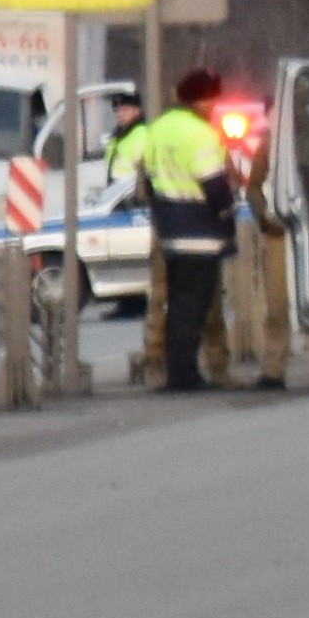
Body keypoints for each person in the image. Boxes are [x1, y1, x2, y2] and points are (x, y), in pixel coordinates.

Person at [109, 69, 243, 393]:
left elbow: (149, 181)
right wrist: (228, 212)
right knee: (195, 308)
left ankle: (176, 371)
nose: (213, 108)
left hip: (169, 231)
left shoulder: (157, 130)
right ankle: (185, 375)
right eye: (211, 101)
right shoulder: (200, 134)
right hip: (201, 232)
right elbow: (215, 184)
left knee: (177, 305)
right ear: (202, 101)